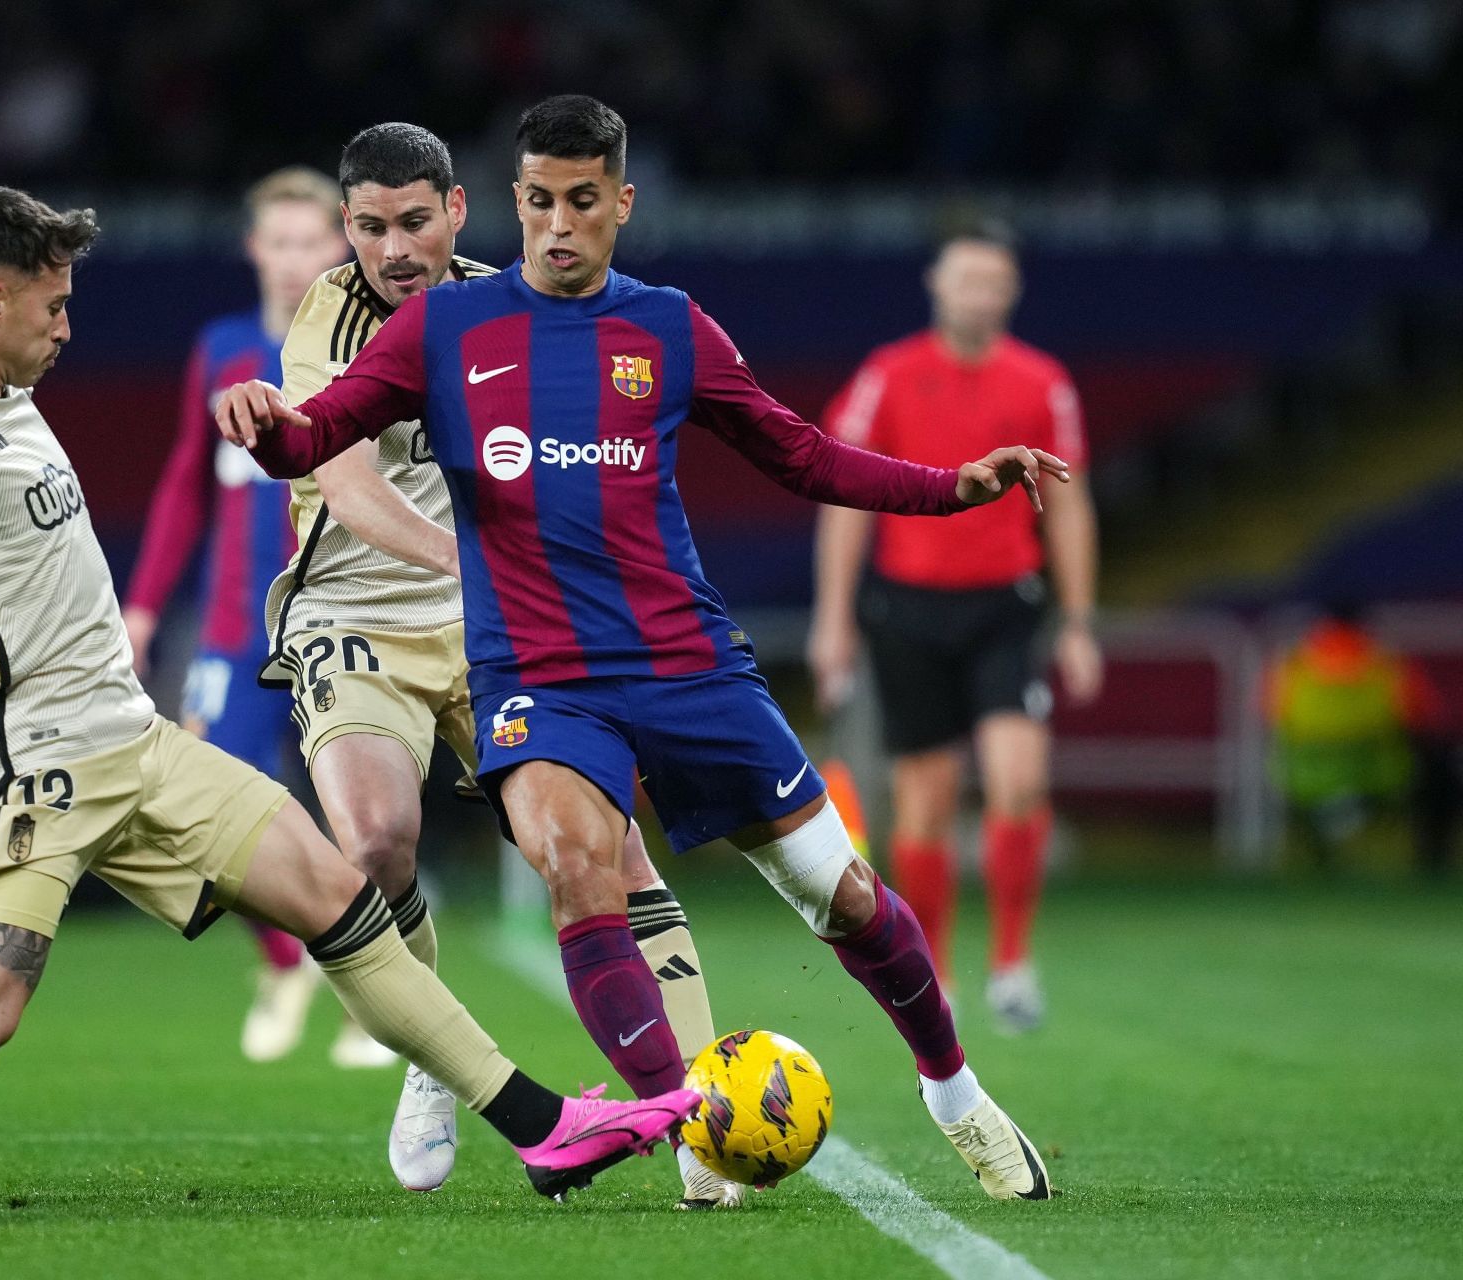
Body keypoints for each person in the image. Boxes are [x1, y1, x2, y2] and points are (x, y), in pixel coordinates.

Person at [0, 182, 697, 1217]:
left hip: (134, 738)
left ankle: (544, 1128)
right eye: (54, 305)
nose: (68, 327)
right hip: (38, 758)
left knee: (342, 896)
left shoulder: (6, 393)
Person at [218, 96, 1063, 1201]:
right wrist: (266, 423)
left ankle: (957, 1090)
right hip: (539, 678)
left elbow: (801, 454)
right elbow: (320, 437)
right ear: (511, 203)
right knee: (578, 869)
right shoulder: (441, 331)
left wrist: (954, 486)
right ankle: (689, 1126)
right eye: (539, 202)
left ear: (622, 201)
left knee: (842, 892)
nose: (558, 225)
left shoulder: (668, 326)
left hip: (686, 661)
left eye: (581, 201)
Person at [271, 122, 739, 1205]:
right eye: (374, 227)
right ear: (349, 227)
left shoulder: (511, 308)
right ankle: (435, 1060)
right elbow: (346, 488)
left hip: (503, 632)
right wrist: (468, 555)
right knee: (378, 844)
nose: (396, 248)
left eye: (416, 222)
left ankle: (701, 1132)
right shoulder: (325, 321)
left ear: (458, 214)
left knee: (612, 856)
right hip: (357, 614)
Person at [118, 167, 388, 1070]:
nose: (293, 259)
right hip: (237, 631)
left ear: (342, 244)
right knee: (203, 821)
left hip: (343, 619)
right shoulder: (222, 350)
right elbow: (184, 488)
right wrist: (144, 608)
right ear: (253, 249)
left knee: (366, 825)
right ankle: (290, 962)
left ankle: (372, 1000)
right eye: (278, 241)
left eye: (311, 241)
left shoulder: (371, 348)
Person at [807, 221, 1101, 1034]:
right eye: (966, 278)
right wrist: (834, 620)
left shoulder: (1043, 382)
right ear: (937, 284)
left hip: (1006, 606)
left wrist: (1077, 621)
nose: (980, 293)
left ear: (1011, 292)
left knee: (1019, 781)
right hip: (907, 610)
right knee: (924, 807)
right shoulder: (888, 376)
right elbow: (846, 499)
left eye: (994, 280)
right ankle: (937, 975)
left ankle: (1012, 964)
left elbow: (1070, 506)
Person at [1267, 601, 1455, 875]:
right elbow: (1424, 717)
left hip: (1305, 775)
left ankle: (1319, 858)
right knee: (1440, 767)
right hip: (1380, 772)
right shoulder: (1388, 662)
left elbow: (1272, 716)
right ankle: (1431, 862)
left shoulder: (1293, 664)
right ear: (1365, 626)